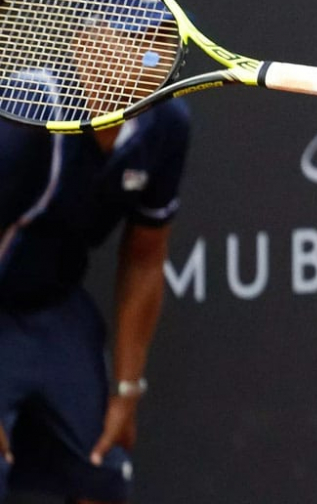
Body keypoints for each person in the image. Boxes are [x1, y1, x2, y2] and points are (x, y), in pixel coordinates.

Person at [0, 86, 190, 502]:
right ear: (87, 44)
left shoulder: (167, 123)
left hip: (55, 306)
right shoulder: (23, 113)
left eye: (162, 40)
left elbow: (145, 259)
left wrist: (126, 390)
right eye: (132, 36)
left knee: (102, 472)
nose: (151, 57)